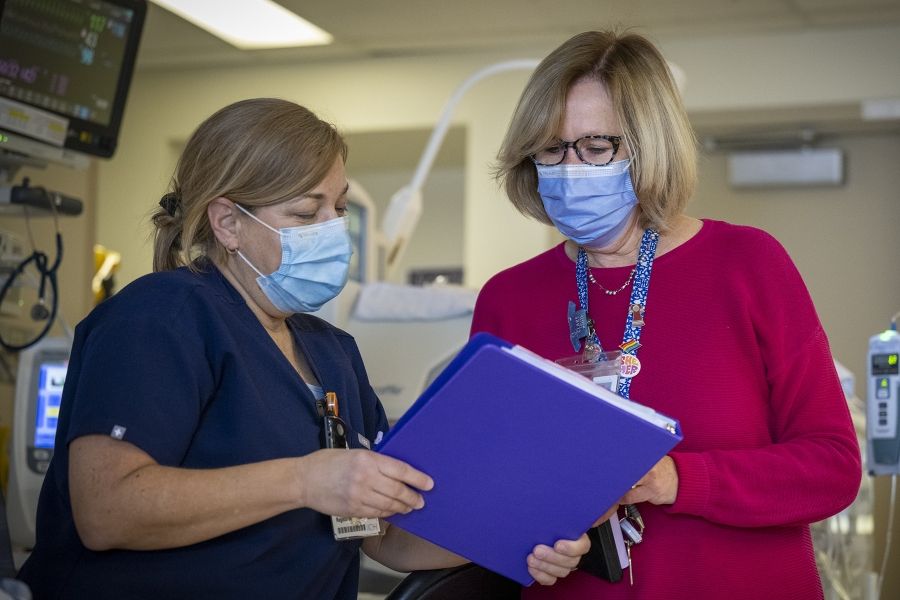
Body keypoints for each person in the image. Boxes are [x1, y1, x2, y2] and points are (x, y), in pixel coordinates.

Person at [18, 98, 589, 599]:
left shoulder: (331, 351)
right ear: (227, 223)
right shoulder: (160, 318)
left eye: (337, 209)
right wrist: (304, 480)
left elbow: (382, 536)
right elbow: (107, 509)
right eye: (304, 212)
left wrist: (513, 536)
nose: (331, 228)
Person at [471, 31, 861, 599]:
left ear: (649, 145)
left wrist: (675, 479)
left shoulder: (747, 263)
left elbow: (831, 468)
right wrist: (523, 539)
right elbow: (493, 487)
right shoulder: (508, 298)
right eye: (551, 149)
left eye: (596, 146)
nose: (570, 168)